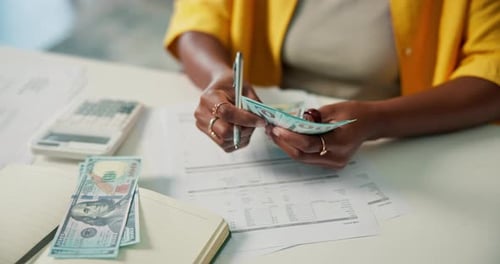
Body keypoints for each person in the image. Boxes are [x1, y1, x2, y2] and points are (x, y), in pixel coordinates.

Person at [164, 0, 500, 169]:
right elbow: (198, 21)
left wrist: (378, 120)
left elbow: (492, 68)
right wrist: (220, 77)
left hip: (401, 149)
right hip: (264, 158)